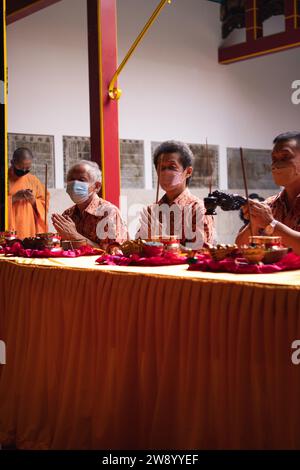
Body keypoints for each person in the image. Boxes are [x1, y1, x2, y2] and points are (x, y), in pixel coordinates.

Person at [135, 141, 214, 249]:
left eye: (172, 167)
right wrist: (147, 238)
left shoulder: (198, 209)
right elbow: (137, 249)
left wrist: (163, 239)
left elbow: (200, 253)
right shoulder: (152, 210)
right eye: (161, 168)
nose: (165, 173)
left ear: (188, 172)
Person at [236, 132, 300, 254]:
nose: (276, 165)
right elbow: (240, 248)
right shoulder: (270, 205)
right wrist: (254, 223)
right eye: (274, 159)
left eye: (285, 157)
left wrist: (271, 224)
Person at [52, 160, 128, 249]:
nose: (74, 185)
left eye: (81, 180)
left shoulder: (109, 213)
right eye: (71, 180)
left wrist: (75, 236)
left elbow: (113, 253)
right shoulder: (68, 214)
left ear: (97, 186)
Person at [8, 147, 49, 238]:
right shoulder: (4, 178)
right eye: (21, 167)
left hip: (29, 228)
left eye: (27, 168)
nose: (24, 171)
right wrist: (13, 198)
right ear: (12, 162)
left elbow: (44, 203)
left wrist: (33, 200)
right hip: (7, 230)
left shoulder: (33, 180)